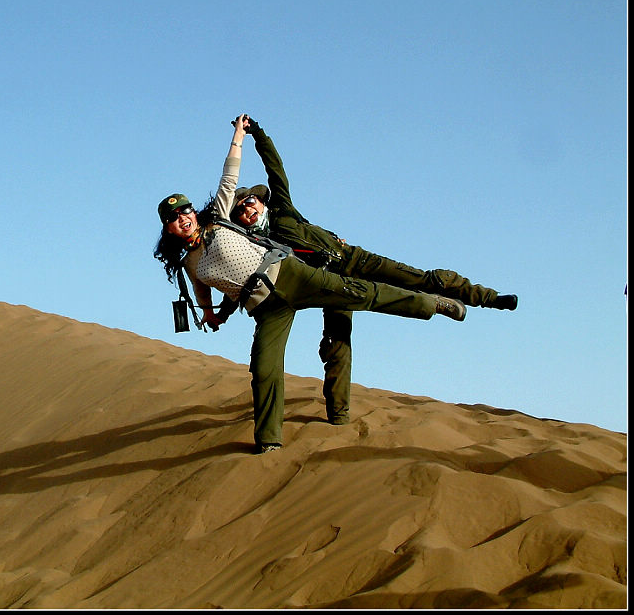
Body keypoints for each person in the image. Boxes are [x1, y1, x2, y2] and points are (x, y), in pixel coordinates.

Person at [154, 115, 468, 454]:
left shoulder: (219, 215)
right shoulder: (187, 261)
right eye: (173, 218)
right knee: (264, 368)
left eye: (185, 210)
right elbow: (202, 287)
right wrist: (210, 314)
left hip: (289, 274)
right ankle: (269, 442)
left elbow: (230, 173)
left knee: (358, 294)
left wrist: (239, 136)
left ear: (193, 212)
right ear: (167, 228)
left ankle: (431, 304)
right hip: (264, 308)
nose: (182, 218)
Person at [223, 115, 518, 426]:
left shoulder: (284, 210)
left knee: (422, 279)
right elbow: (238, 275)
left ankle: (487, 298)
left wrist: (257, 134)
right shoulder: (255, 245)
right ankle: (339, 418)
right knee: (338, 346)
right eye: (240, 208)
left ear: (262, 202)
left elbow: (276, 170)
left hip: (354, 259)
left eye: (250, 202)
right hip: (327, 283)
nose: (246, 208)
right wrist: (223, 312)